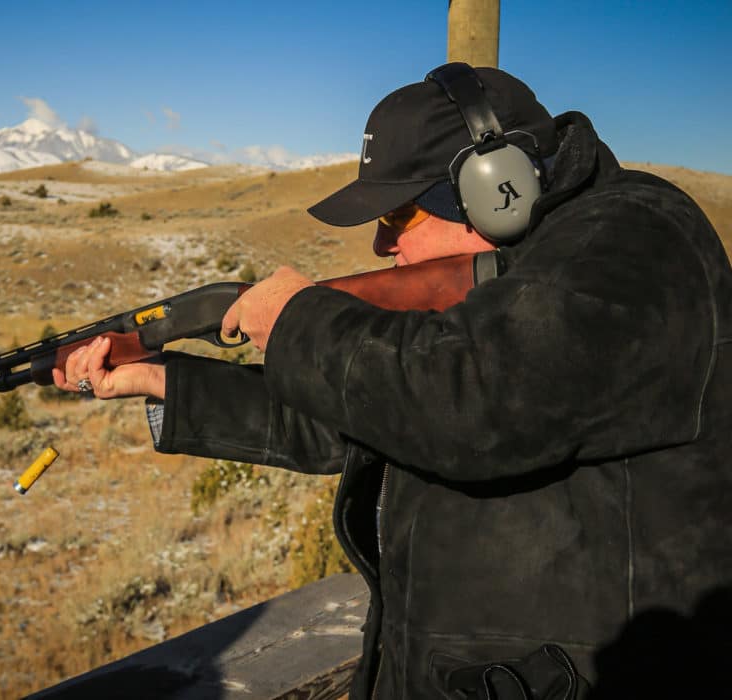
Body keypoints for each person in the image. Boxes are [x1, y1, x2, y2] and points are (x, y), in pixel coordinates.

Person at [54, 63, 732, 698]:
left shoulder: (632, 241)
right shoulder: (520, 278)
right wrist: (158, 379)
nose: (383, 244)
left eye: (398, 214)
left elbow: (468, 403)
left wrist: (299, 321)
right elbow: (366, 410)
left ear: (495, 186)